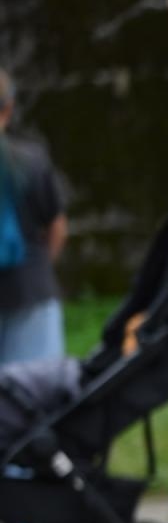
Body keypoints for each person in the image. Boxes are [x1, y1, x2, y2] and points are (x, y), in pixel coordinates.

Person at [0, 69, 68, 367]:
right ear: (8, 108)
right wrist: (41, 267)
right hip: (31, 289)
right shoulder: (30, 160)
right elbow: (56, 225)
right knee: (34, 398)